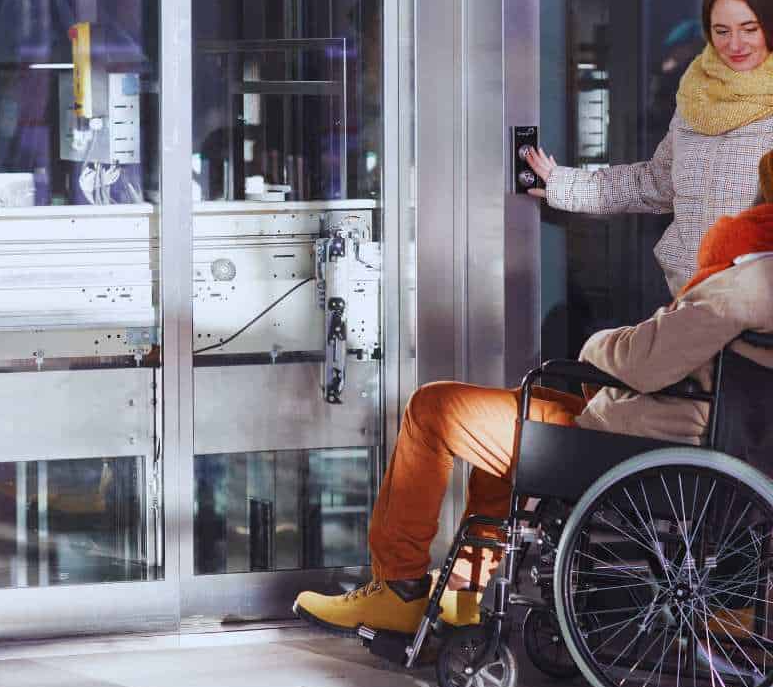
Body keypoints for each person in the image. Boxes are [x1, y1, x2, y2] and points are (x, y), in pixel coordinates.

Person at [293, 152, 773, 637]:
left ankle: (397, 588)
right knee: (500, 427)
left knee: (432, 409)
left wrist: (596, 345)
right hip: (676, 433)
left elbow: (643, 363)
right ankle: (465, 589)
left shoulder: (749, 280)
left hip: (645, 444)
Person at [528, 0, 773, 296]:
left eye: (749, 28)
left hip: (757, 310)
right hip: (689, 301)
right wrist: (562, 183)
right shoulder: (696, 101)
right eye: (722, 30)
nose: (735, 43)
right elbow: (655, 183)